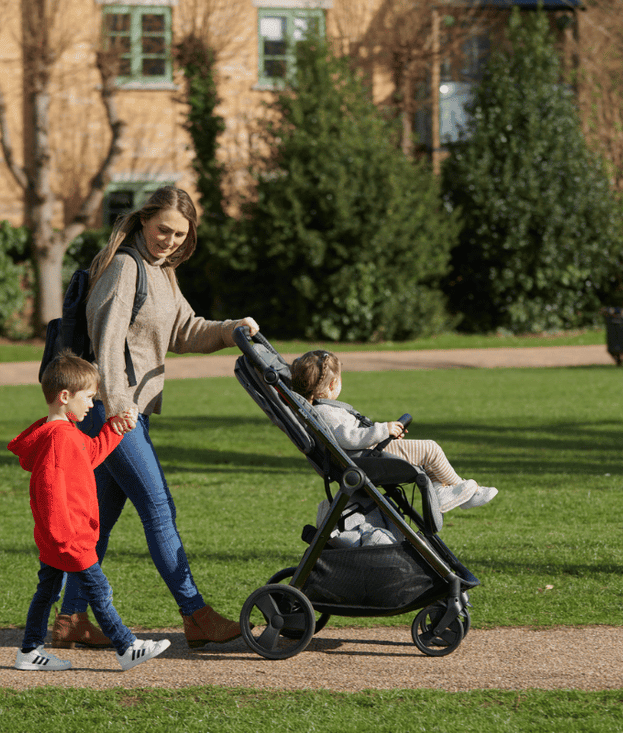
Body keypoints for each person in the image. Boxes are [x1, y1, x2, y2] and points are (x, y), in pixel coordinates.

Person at [50, 186, 260, 652]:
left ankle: (70, 619)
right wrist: (120, 407)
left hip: (126, 413)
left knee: (98, 521)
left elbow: (186, 331)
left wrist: (232, 329)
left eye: (179, 234)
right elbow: (106, 340)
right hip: (112, 412)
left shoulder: (162, 274)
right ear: (144, 222)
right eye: (163, 229)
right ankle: (196, 615)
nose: (169, 239)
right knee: (160, 511)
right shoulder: (126, 268)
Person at [9, 350, 171, 671]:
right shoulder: (59, 439)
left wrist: (116, 428)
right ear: (65, 396)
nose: (91, 404)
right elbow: (50, 494)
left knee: (48, 592)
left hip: (60, 539)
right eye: (88, 397)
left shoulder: (65, 435)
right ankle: (126, 647)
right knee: (98, 590)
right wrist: (67, 539)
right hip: (70, 539)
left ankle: (29, 652)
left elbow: (91, 455)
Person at [290, 349, 497, 545]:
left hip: (370, 452)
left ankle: (441, 491)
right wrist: (383, 430)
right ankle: (465, 492)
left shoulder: (321, 410)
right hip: (368, 458)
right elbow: (349, 437)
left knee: (427, 458)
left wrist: (387, 435)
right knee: (431, 450)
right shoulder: (326, 413)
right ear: (334, 384)